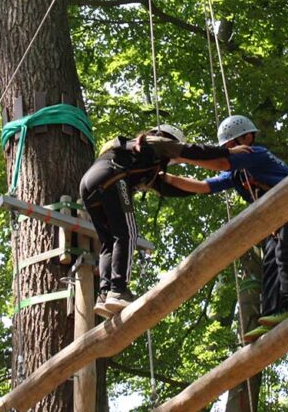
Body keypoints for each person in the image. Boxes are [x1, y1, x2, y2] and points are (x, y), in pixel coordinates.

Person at [160, 114, 288, 343]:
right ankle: (272, 315)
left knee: (285, 252)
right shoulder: (236, 174)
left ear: (247, 137)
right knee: (271, 260)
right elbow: (203, 186)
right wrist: (164, 178)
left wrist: (181, 154)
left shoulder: (257, 153)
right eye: (225, 146)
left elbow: (219, 162)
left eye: (230, 145)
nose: (228, 149)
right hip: (281, 220)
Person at [79, 123, 243, 317]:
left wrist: (208, 188)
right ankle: (118, 290)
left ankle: (105, 294)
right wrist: (229, 153)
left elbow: (168, 189)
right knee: (128, 234)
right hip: (112, 177)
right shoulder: (154, 142)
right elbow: (192, 151)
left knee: (109, 241)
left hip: (89, 185)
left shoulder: (141, 161)